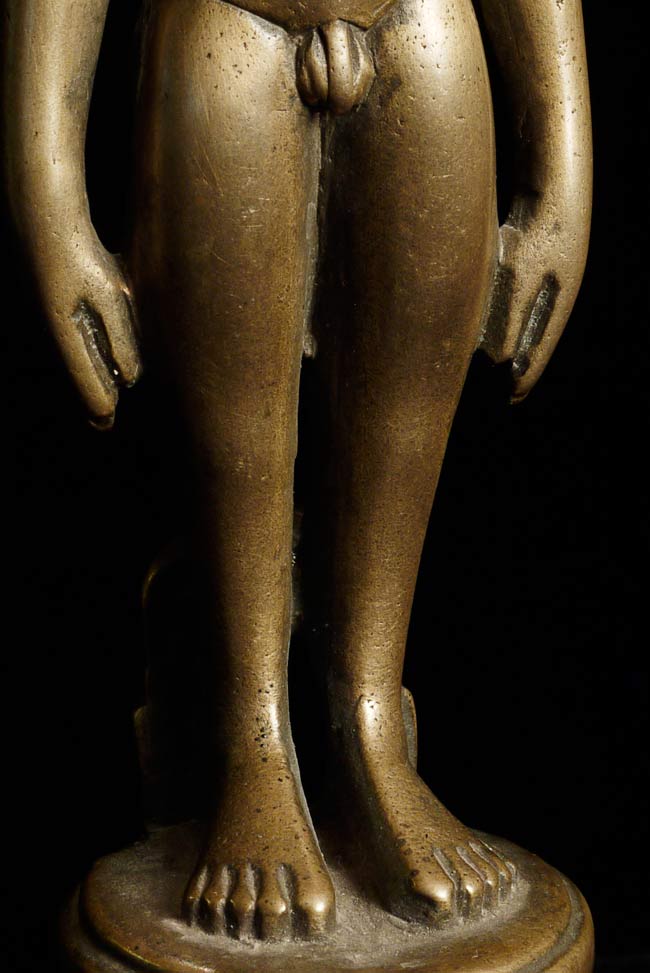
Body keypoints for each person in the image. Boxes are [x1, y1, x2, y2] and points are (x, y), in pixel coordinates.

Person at [4, 0, 591, 942]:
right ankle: (251, 736)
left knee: (405, 403)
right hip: (227, 27)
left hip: (425, 32)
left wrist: (562, 172)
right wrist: (50, 195)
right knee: (236, 418)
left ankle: (370, 722)